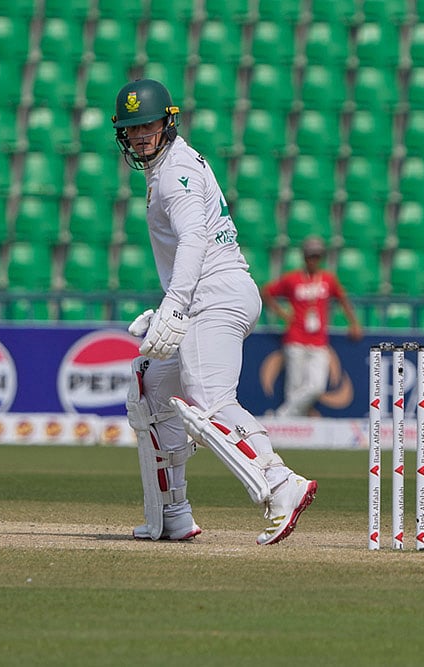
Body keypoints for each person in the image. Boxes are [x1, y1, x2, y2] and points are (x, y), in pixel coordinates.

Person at [113, 78, 317, 546]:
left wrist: (174, 306)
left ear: (168, 122)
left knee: (209, 399)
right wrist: (172, 306)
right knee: (148, 388)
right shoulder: (166, 168)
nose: (141, 136)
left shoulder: (174, 171)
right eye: (132, 129)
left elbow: (194, 239)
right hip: (209, 294)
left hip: (214, 295)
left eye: (148, 125)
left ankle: (281, 484)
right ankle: (172, 515)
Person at [260, 235, 363, 417]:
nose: (313, 260)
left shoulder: (328, 280)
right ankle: (294, 432)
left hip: (318, 341)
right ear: (304, 257)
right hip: (295, 338)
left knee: (316, 386)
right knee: (294, 386)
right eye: (310, 256)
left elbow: (343, 299)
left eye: (317, 256)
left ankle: (281, 417)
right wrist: (282, 313)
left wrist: (354, 323)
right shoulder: (292, 279)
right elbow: (266, 292)